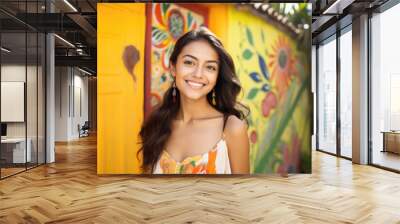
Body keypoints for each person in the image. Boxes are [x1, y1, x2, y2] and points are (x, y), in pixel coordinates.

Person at [139, 27, 250, 174]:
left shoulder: (232, 129)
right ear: (173, 67)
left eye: (210, 67)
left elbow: (243, 193)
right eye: (189, 63)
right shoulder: (156, 125)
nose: (198, 74)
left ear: (217, 76)